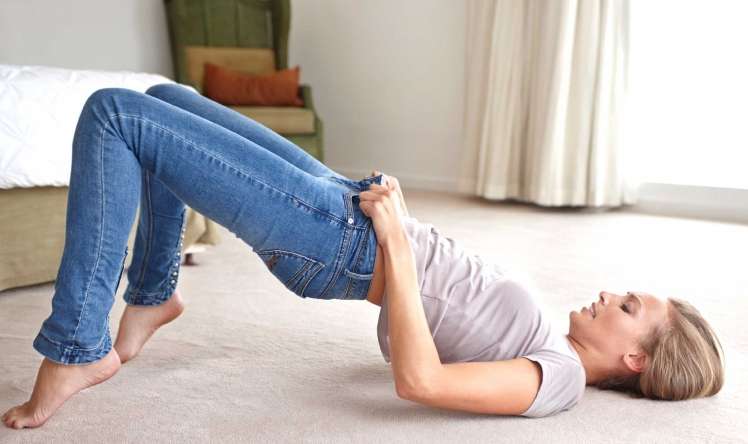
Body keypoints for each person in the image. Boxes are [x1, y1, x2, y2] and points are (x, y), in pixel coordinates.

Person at [1, 84, 725, 429]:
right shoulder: (554, 344)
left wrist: (398, 242)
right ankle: (155, 294)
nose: (610, 294)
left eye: (628, 307)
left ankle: (76, 349)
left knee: (114, 114)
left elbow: (421, 380)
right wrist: (397, 221)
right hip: (352, 210)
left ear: (636, 358)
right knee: (166, 97)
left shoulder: (557, 379)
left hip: (335, 242)